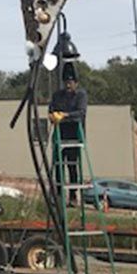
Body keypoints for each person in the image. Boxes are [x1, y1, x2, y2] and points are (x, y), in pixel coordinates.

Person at [48, 68, 88, 205]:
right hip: (60, 134)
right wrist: (52, 116)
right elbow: (51, 110)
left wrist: (65, 115)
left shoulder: (81, 95)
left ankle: (73, 196)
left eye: (70, 82)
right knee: (59, 166)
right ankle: (59, 195)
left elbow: (81, 112)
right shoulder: (57, 95)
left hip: (75, 135)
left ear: (76, 83)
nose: (68, 85)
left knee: (72, 166)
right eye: (66, 82)